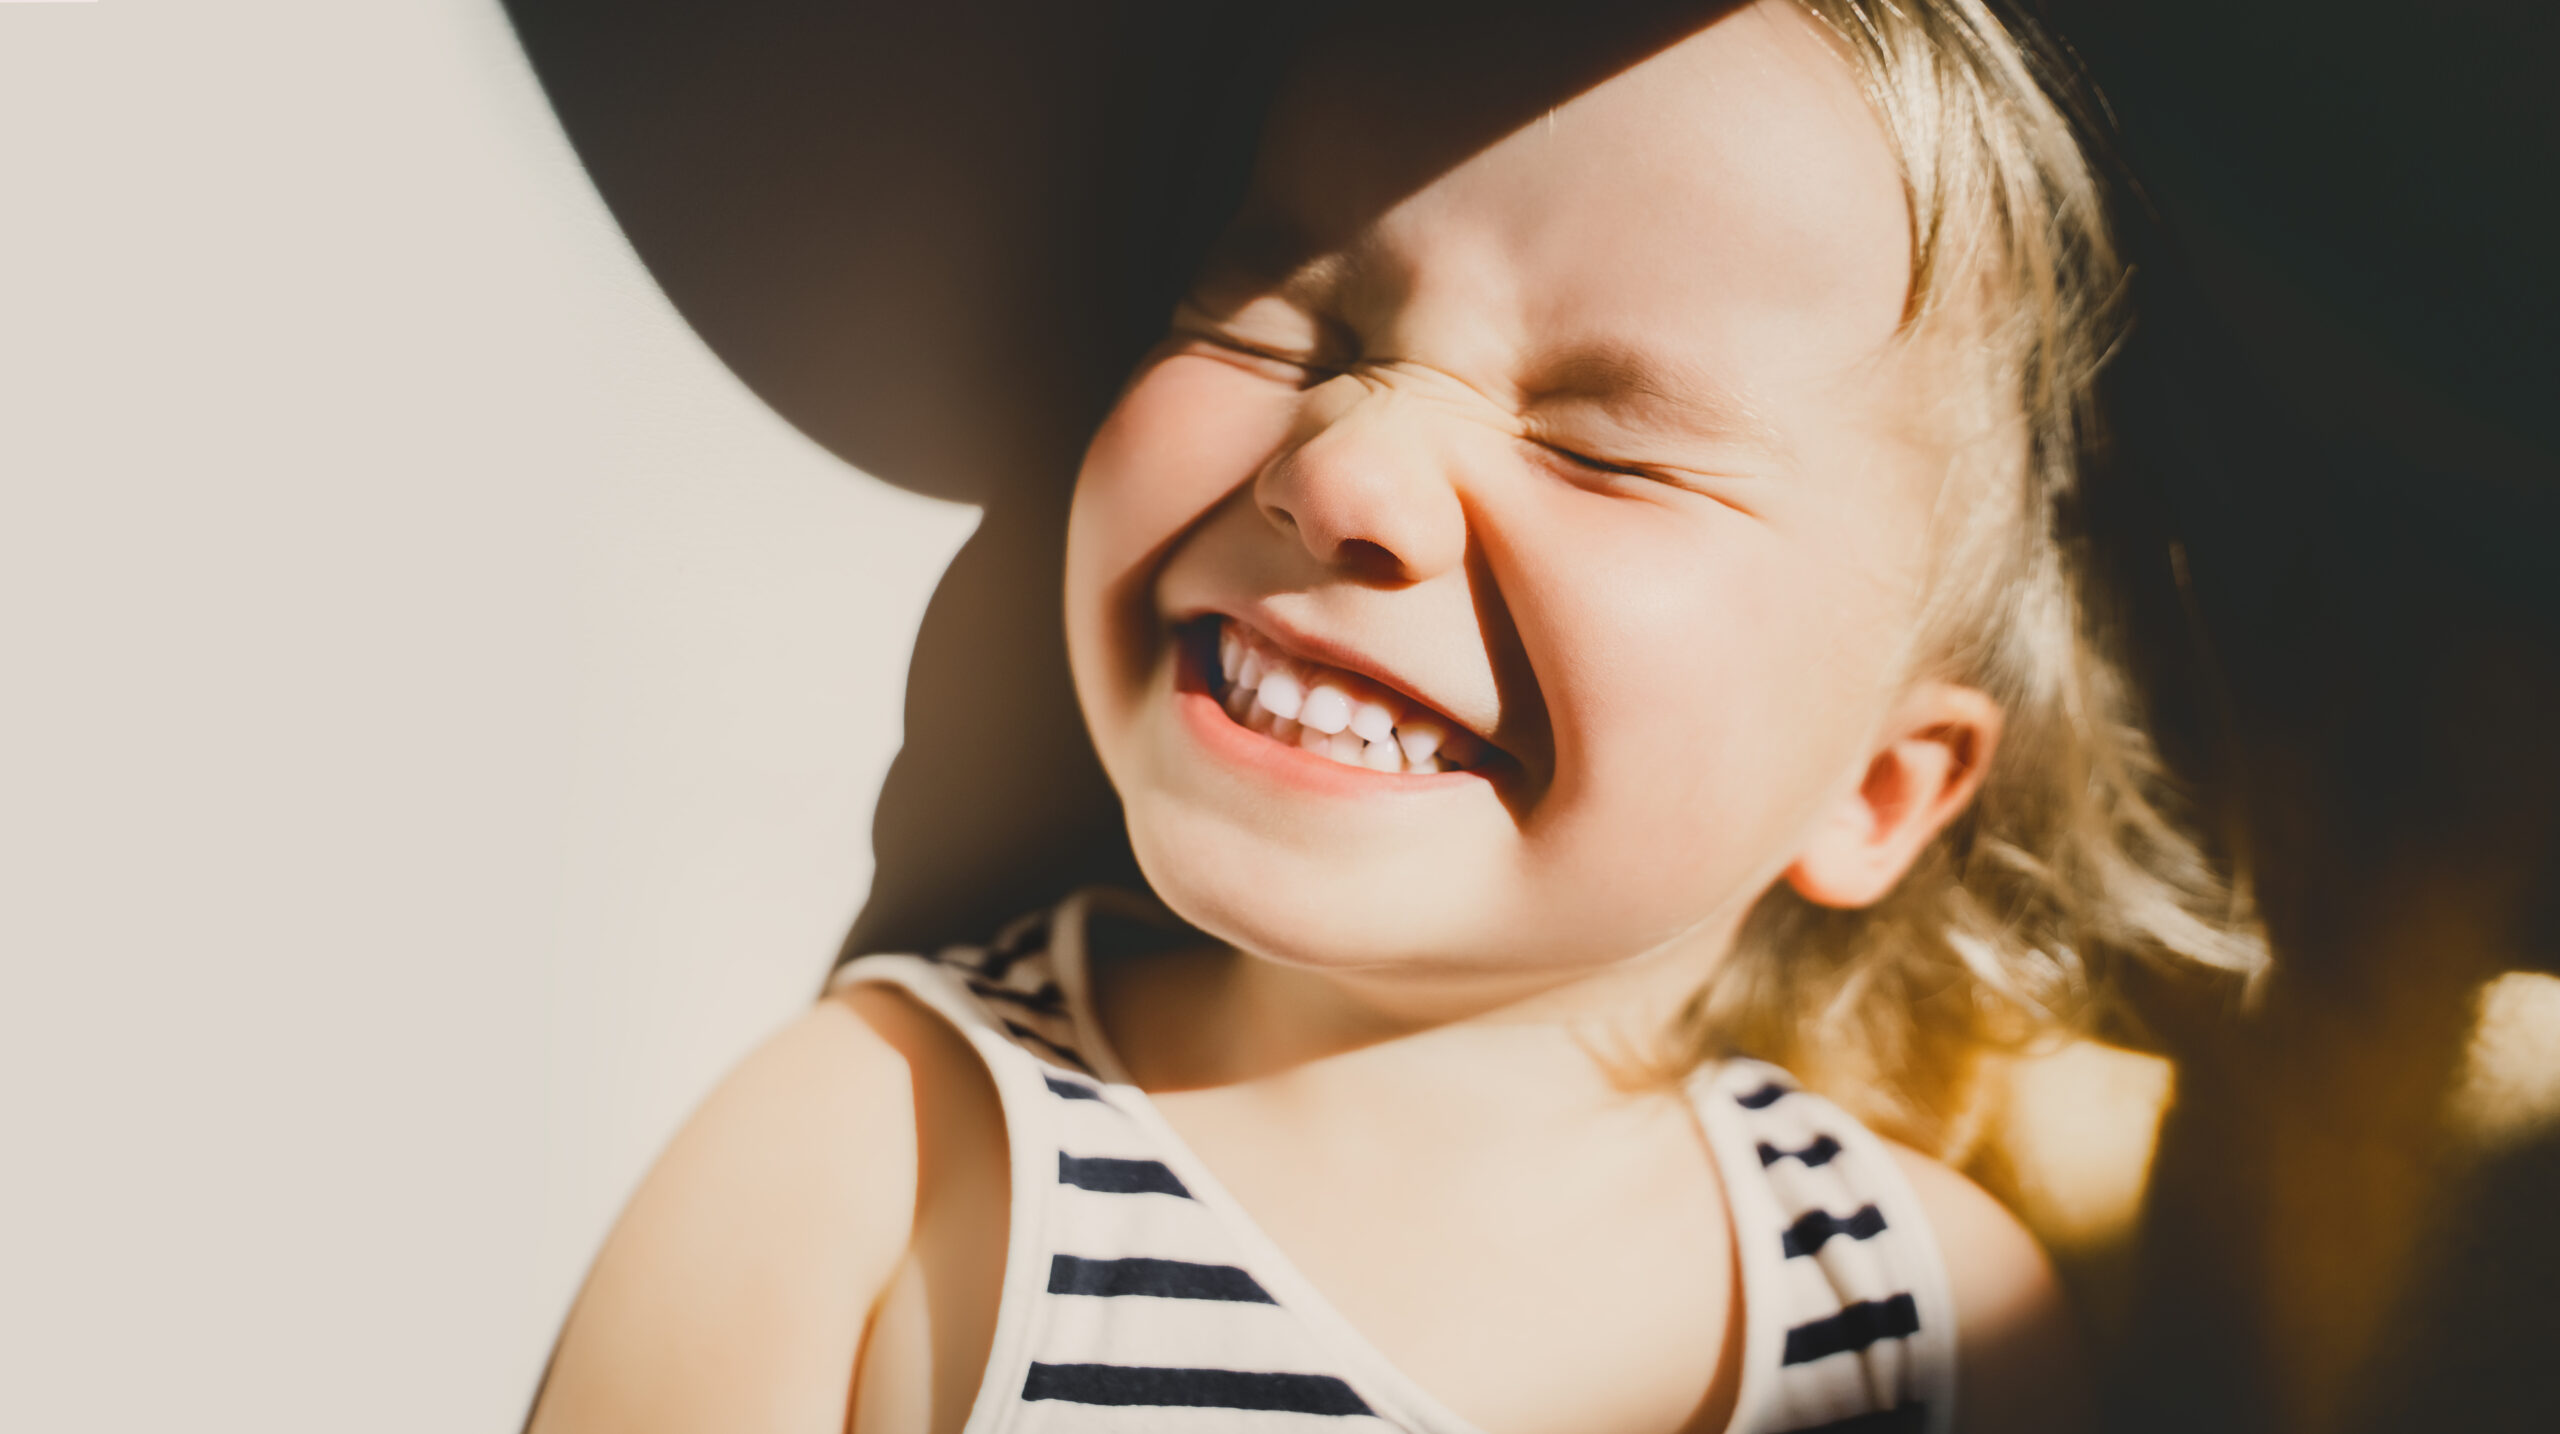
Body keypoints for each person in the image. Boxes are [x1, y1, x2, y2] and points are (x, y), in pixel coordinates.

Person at [526, 2, 2262, 1430]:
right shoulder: (887, 1155)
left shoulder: (1933, 1318)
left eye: (1606, 446)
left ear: (1881, 789)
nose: (1347, 463)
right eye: (1285, 326)